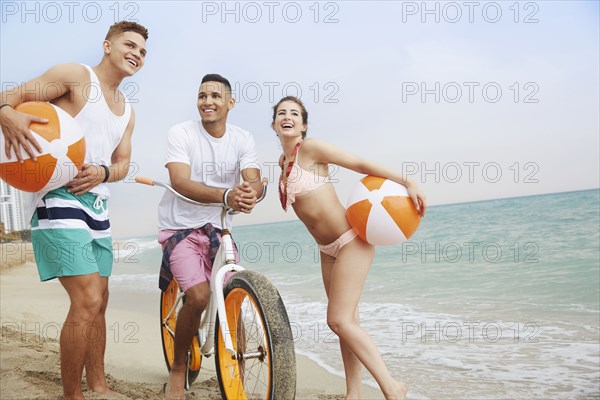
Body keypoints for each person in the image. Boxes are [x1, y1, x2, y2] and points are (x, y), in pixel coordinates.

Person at [0, 21, 148, 400]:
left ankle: (98, 386)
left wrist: (103, 171)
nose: (137, 54)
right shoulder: (75, 76)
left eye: (143, 51)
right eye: (129, 45)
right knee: (86, 299)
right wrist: (7, 113)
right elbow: (10, 96)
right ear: (107, 45)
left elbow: (123, 164)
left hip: (98, 206)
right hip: (57, 198)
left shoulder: (127, 111)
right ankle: (72, 395)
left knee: (101, 301)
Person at [272, 96, 427, 400]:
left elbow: (358, 163)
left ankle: (392, 387)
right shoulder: (282, 164)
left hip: (350, 243)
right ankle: (353, 394)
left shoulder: (312, 149)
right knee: (346, 324)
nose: (287, 116)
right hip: (326, 249)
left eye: (294, 113)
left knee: (338, 320)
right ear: (274, 124)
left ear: (303, 125)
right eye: (281, 113)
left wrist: (408, 181)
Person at [157, 73, 262, 400]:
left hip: (220, 228)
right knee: (200, 297)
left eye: (216, 96)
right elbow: (179, 181)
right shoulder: (182, 133)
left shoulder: (243, 138)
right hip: (181, 228)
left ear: (230, 103)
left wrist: (250, 192)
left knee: (232, 293)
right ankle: (178, 369)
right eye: (202, 95)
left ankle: (239, 372)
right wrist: (227, 196)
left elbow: (254, 179)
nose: (208, 101)